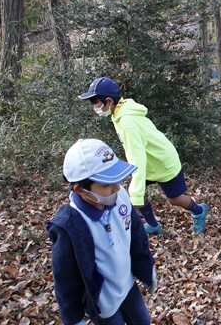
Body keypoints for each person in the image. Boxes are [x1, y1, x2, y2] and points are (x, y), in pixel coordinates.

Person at [47, 139, 156, 325]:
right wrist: (72, 318)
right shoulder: (70, 226)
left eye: (116, 179)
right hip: (102, 302)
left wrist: (147, 270)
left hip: (127, 286)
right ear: (81, 191)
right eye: (106, 184)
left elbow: (136, 236)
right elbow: (65, 278)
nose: (116, 187)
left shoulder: (119, 197)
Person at [79, 77, 208, 235]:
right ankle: (153, 226)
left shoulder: (127, 122)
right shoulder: (119, 112)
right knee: (136, 192)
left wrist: (136, 194)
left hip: (163, 161)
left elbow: (137, 157)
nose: (94, 107)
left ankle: (199, 210)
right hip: (148, 162)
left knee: (173, 198)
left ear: (108, 101)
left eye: (95, 102)